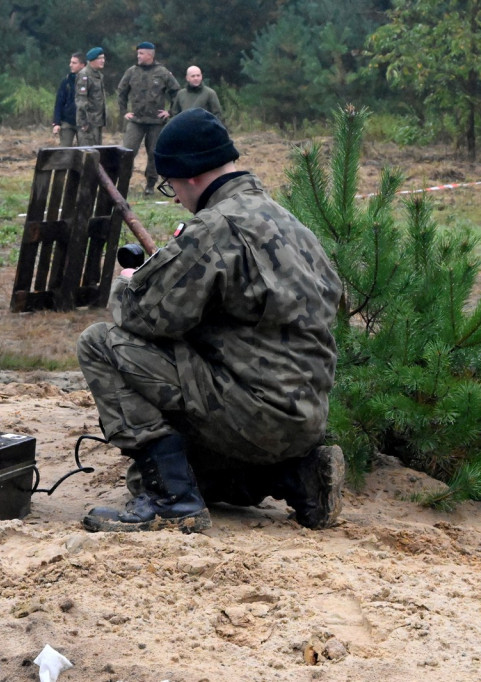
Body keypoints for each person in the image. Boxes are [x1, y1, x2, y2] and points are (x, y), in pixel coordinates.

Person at [77, 108, 345, 534]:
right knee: (149, 477)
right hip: (305, 417)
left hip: (251, 414)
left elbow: (142, 317)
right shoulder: (290, 224)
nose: (176, 196)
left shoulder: (217, 227)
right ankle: (296, 477)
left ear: (191, 177)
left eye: (171, 187)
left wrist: (130, 282)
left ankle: (172, 502)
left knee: (98, 343)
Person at [116, 41, 181, 196]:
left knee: (154, 153)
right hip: (136, 121)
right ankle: (122, 184)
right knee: (127, 151)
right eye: (137, 53)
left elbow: (176, 92)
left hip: (156, 122)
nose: (138, 56)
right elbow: (121, 91)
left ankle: (150, 186)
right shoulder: (132, 71)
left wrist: (170, 112)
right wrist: (124, 111)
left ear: (150, 55)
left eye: (141, 53)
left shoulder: (163, 72)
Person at [75, 47, 107, 146]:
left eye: (103, 58)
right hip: (89, 123)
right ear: (92, 60)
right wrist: (84, 122)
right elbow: (81, 100)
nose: (103, 61)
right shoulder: (84, 75)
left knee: (97, 153)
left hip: (97, 121)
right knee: (88, 155)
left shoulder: (98, 75)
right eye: (100, 58)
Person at [52, 52, 85, 146]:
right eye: (71, 62)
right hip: (67, 121)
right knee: (64, 151)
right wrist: (56, 123)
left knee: (85, 151)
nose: (70, 65)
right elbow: (59, 103)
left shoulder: (89, 81)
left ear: (82, 65)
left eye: (74, 63)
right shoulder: (66, 81)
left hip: (83, 123)